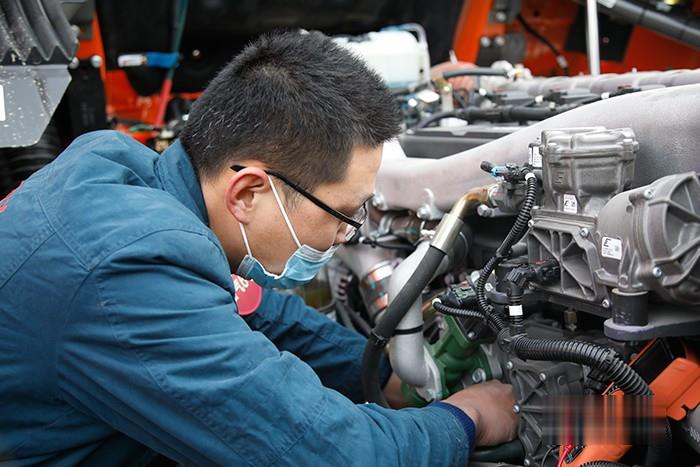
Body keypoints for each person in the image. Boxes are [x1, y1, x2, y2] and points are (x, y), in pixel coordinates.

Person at [0, 31, 517, 466]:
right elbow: (330, 455)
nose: (347, 235)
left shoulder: (121, 167)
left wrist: (385, 375)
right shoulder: (127, 269)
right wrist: (466, 418)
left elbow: (258, 313)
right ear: (248, 193)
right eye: (343, 214)